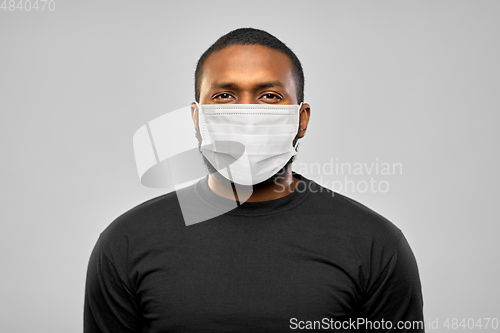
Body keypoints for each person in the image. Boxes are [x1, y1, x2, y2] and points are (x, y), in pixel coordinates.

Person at [84, 27, 424, 332]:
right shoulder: (127, 243)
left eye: (269, 96)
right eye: (224, 96)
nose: (247, 114)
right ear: (196, 118)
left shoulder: (374, 245)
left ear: (301, 119)